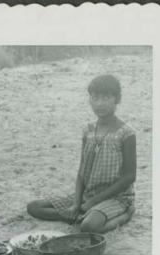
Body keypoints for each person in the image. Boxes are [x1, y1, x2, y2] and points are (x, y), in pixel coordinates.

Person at [27, 74, 137, 233]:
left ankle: (126, 215)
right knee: (34, 207)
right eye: (95, 98)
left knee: (89, 226)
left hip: (116, 198)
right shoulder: (88, 131)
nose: (99, 103)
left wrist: (93, 202)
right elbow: (82, 171)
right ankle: (74, 216)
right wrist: (76, 203)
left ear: (117, 99)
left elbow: (129, 177)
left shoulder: (126, 133)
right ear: (89, 100)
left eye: (106, 98)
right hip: (88, 194)